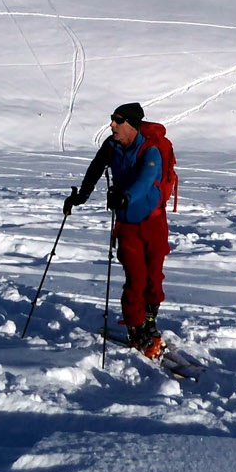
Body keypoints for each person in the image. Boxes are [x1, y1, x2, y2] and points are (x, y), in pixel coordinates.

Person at [63, 102, 175, 353]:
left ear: (132, 125)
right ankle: (136, 328)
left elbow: (147, 180)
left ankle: (149, 322)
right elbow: (95, 168)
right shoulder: (111, 146)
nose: (112, 124)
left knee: (154, 276)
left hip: (153, 221)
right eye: (112, 119)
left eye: (118, 120)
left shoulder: (150, 150)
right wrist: (82, 195)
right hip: (127, 224)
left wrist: (126, 197)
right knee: (135, 278)